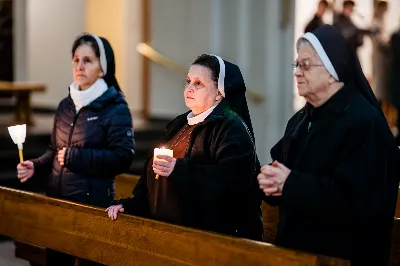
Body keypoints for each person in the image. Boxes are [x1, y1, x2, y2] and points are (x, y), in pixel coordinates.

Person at [258, 25, 399, 265]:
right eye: (296, 65)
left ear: (333, 70)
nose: (297, 73)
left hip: (342, 256)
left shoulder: (364, 122)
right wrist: (269, 183)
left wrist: (289, 183)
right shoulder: (301, 120)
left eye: (306, 65)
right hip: (294, 254)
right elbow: (282, 169)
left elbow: (360, 201)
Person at [107, 54, 263, 241]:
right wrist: (134, 205)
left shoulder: (231, 128)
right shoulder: (179, 124)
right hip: (167, 234)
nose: (189, 88)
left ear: (219, 92)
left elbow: (230, 182)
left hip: (209, 239)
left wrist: (178, 169)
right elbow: (153, 174)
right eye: (188, 81)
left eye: (198, 83)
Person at [16, 33, 134, 266]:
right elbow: (55, 150)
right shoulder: (65, 105)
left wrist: (76, 157)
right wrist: (36, 166)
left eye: (87, 60)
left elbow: (123, 157)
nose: (79, 66)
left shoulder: (115, 108)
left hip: (90, 206)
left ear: (103, 68)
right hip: (59, 203)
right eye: (76, 60)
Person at [370, 0, 390, 101]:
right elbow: (379, 40)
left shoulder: (381, 21)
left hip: (383, 55)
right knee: (378, 81)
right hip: (378, 53)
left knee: (382, 81)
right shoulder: (375, 22)